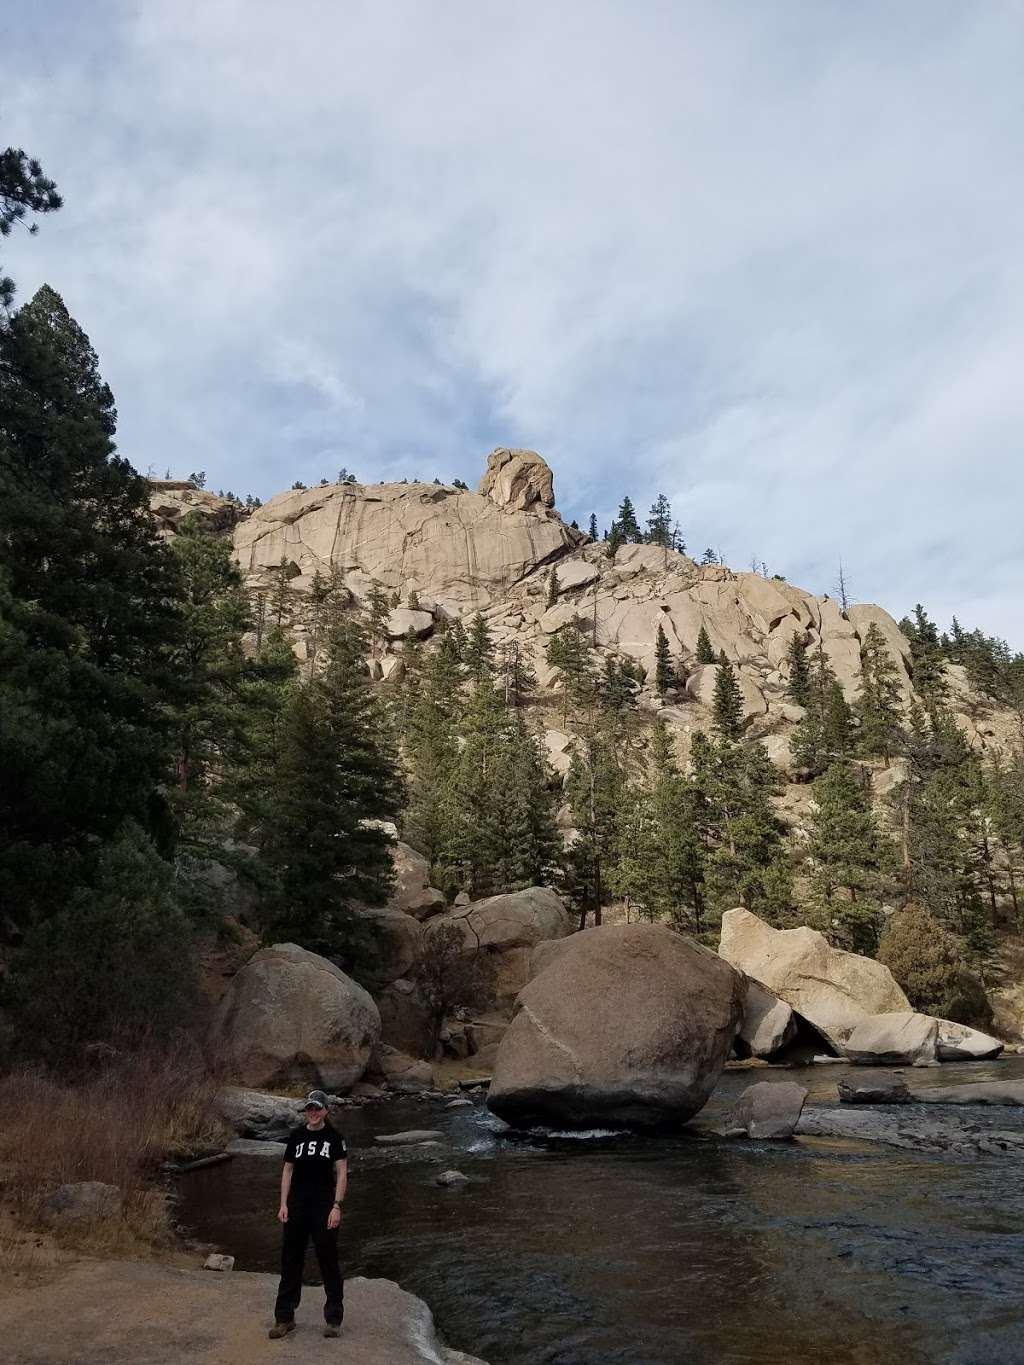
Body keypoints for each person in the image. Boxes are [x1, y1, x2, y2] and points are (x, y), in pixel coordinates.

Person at [269, 1089, 348, 1340]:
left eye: (317, 1108)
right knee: (290, 1259)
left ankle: (333, 1319)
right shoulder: (296, 1136)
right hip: (297, 1205)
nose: (313, 1113)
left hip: (324, 1205)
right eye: (309, 1109)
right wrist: (283, 1204)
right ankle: (284, 1318)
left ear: (326, 1110)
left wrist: (337, 1205)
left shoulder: (335, 1138)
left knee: (328, 1259)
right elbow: (287, 1171)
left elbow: (342, 1173)